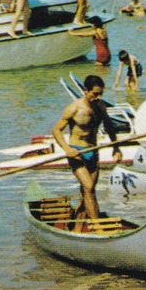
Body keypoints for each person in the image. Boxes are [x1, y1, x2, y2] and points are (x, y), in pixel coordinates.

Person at [50, 73, 115, 223]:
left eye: (101, 94)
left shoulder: (100, 106)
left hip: (93, 152)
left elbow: (110, 126)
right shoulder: (74, 108)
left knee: (88, 191)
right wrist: (67, 150)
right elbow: (56, 130)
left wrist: (116, 147)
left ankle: (81, 214)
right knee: (89, 187)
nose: (98, 97)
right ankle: (96, 225)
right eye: (95, 94)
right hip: (76, 152)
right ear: (85, 90)